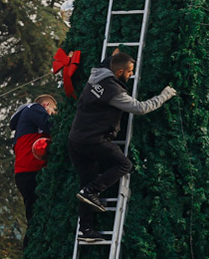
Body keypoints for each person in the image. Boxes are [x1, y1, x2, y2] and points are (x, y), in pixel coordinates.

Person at [68, 51, 176, 244]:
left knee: (84, 185)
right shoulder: (114, 92)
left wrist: (115, 52)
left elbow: (108, 60)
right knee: (123, 165)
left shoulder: (98, 73)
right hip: (93, 140)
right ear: (119, 72)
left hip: (76, 138)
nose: (131, 75)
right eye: (129, 72)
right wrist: (164, 95)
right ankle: (93, 190)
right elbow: (140, 108)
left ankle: (85, 229)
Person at [10, 94, 57, 227]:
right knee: (38, 220)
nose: (52, 115)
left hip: (24, 173)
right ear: (46, 105)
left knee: (34, 217)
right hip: (33, 171)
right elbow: (52, 125)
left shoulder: (24, 125)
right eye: (53, 111)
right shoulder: (33, 108)